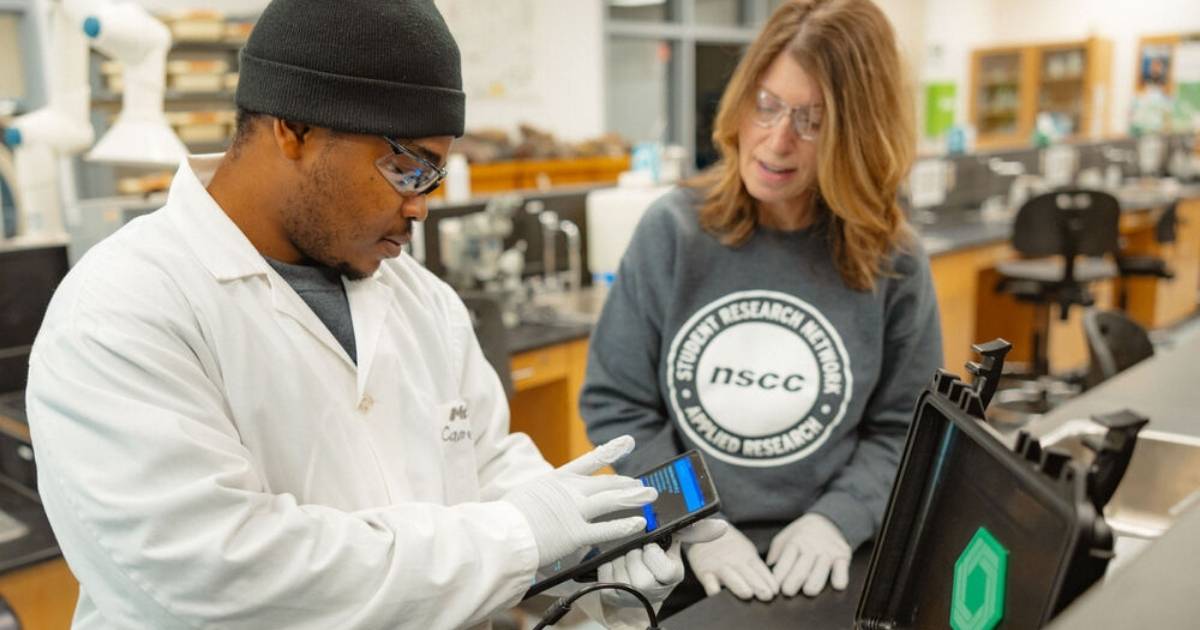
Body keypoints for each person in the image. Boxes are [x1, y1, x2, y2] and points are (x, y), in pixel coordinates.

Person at [25, 1, 722, 628]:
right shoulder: (121, 310)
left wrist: (590, 569)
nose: (423, 204)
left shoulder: (421, 301)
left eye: (438, 175)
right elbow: (218, 575)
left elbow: (487, 472)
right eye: (408, 168)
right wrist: (517, 539)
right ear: (293, 129)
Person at [581, 0, 943, 614]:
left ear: (857, 135)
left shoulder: (893, 259)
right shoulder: (674, 231)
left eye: (814, 121)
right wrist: (693, 521)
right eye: (768, 105)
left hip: (828, 557)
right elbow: (618, 404)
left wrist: (840, 516)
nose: (778, 141)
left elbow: (906, 426)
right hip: (686, 557)